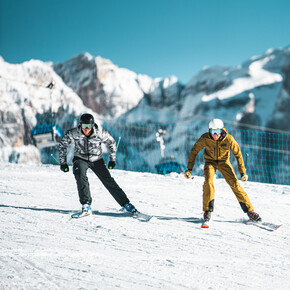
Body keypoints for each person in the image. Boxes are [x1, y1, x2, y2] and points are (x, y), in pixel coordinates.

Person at [184, 118, 262, 223]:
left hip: (224, 162)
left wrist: (243, 172)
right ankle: (208, 211)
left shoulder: (229, 139)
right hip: (210, 162)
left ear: (222, 130)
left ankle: (250, 211)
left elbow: (238, 154)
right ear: (209, 131)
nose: (215, 135)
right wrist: (189, 169)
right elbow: (194, 151)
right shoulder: (205, 138)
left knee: (235, 184)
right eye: (212, 132)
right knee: (208, 182)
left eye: (217, 132)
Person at [58, 113, 137, 215]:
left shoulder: (100, 133)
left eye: (89, 126)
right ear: (80, 125)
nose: (86, 129)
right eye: (84, 126)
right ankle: (86, 205)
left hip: (97, 160)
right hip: (80, 158)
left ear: (93, 125)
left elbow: (112, 143)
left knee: (108, 180)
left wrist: (112, 160)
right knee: (80, 176)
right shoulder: (73, 133)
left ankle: (126, 204)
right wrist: (63, 163)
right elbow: (62, 145)